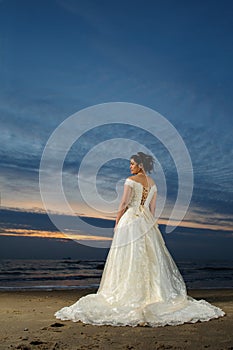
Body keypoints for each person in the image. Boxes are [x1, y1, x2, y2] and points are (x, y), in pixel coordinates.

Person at [55, 152, 225, 327]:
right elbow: (152, 210)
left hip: (130, 220)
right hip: (146, 222)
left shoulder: (130, 181)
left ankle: (129, 294)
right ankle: (152, 294)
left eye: (132, 164)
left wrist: (117, 222)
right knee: (150, 258)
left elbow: (123, 204)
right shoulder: (153, 184)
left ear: (140, 165)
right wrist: (149, 225)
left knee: (127, 256)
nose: (130, 166)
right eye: (130, 164)